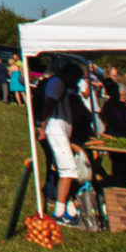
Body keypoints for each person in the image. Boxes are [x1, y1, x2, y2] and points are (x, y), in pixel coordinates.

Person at [38, 61, 82, 222]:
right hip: (55, 130)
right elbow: (49, 105)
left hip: (61, 130)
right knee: (68, 171)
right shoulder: (57, 83)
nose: (76, 83)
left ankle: (70, 210)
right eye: (76, 79)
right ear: (69, 74)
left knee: (67, 170)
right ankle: (59, 212)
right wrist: (42, 127)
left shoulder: (60, 83)